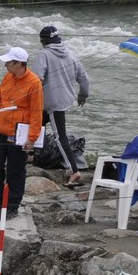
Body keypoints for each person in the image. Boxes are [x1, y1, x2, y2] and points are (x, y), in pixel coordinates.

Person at [0, 46, 44, 219]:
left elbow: (37, 112)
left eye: (8, 63)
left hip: (19, 133)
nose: (5, 66)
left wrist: (32, 138)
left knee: (15, 170)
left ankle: (12, 206)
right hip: (0, 129)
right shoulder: (8, 76)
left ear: (19, 64)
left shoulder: (34, 82)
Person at [31, 25, 90, 187]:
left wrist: (26, 98)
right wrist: (82, 96)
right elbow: (84, 78)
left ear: (43, 41)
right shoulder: (71, 54)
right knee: (36, 124)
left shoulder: (44, 54)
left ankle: (74, 171)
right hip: (66, 100)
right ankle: (33, 154)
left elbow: (36, 80)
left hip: (52, 102)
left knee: (59, 136)